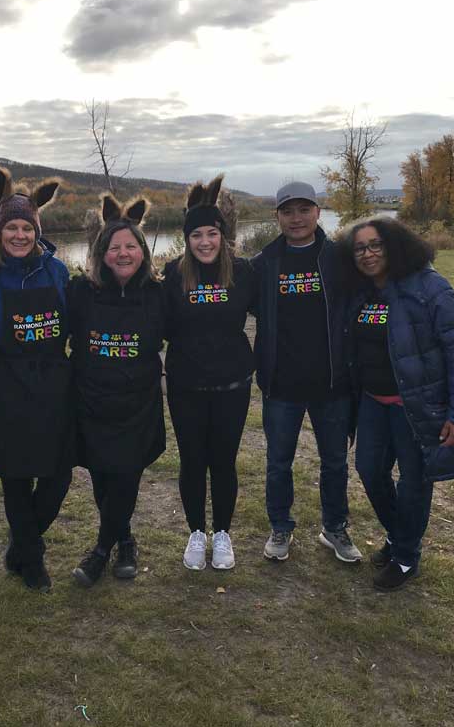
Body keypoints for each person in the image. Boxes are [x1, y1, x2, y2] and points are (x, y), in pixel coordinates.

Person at [337, 216, 454, 591]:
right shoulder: (360, 293)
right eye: (360, 248)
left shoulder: (430, 288)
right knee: (369, 470)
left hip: (416, 406)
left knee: (413, 482)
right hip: (373, 404)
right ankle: (400, 536)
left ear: (394, 244)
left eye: (375, 244)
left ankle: (407, 556)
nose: (367, 254)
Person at [0, 165, 72, 593]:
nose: (18, 235)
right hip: (8, 383)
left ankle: (20, 546)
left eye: (25, 228)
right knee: (17, 476)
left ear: (37, 230)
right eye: (11, 227)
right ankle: (31, 560)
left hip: (53, 380)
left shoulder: (57, 271)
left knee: (59, 473)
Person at [251, 182, 362, 564]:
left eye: (304, 209)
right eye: (287, 211)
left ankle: (334, 528)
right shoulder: (263, 264)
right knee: (279, 462)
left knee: (334, 462)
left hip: (332, 384)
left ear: (318, 212)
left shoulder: (338, 259)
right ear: (277, 216)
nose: (296, 218)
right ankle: (280, 526)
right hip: (281, 385)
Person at [68, 194, 165, 587]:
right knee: (103, 476)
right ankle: (124, 538)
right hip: (91, 401)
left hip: (138, 404)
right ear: (101, 253)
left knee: (126, 475)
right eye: (114, 247)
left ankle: (101, 550)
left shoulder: (160, 294)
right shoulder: (80, 292)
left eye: (130, 246)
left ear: (141, 251)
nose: (123, 253)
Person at [164, 175, 255, 570]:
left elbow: (274, 314)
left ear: (222, 234)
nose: (205, 241)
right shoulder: (171, 274)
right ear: (187, 238)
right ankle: (196, 532)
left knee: (223, 461)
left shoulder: (241, 271)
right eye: (197, 234)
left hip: (232, 384)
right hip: (185, 385)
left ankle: (222, 534)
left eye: (212, 233)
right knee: (192, 461)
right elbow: (157, 325)